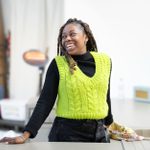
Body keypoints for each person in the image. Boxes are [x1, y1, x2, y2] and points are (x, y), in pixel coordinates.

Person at [0, 18, 113, 144]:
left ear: (86, 37)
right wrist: (25, 134)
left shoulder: (105, 61)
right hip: (67, 135)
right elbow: (45, 101)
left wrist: (110, 124)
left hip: (99, 135)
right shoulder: (58, 64)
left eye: (72, 34)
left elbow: (105, 95)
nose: (67, 39)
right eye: (64, 36)